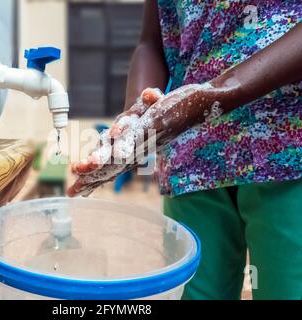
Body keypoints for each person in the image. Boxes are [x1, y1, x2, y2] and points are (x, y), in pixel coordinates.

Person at [68, 0, 302, 300]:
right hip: (190, 160)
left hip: (286, 148)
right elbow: (151, 42)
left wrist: (213, 95)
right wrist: (135, 116)